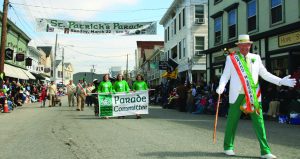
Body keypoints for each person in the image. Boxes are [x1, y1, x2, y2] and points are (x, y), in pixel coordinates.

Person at [216, 34, 296, 159]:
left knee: (259, 122)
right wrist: (221, 85)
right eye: (242, 45)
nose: (244, 47)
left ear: (250, 45)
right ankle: (228, 147)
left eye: (247, 45)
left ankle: (265, 151)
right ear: (238, 46)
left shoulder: (256, 57)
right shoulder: (231, 59)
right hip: (236, 95)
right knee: (232, 122)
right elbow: (225, 75)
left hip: (253, 95)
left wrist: (280, 81)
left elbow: (265, 74)